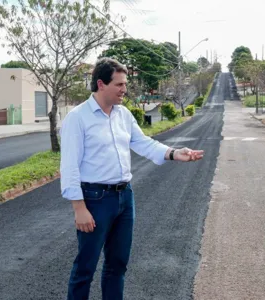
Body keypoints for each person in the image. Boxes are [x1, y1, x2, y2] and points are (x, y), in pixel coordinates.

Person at [60, 57, 204, 300]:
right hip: (95, 199)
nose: (124, 90)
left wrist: (173, 153)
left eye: (125, 84)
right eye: (119, 85)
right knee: (86, 267)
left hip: (125, 197)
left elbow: (142, 143)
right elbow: (69, 166)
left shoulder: (123, 115)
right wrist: (79, 207)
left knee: (118, 265)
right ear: (101, 84)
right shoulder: (78, 118)